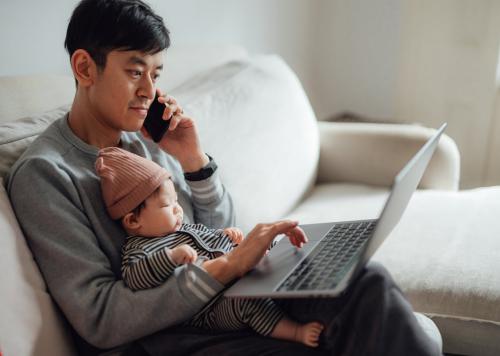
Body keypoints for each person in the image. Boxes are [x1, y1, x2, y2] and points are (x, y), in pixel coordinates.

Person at [6, 0, 441, 355]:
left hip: (227, 294)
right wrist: (226, 268)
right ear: (85, 68)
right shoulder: (45, 174)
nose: (149, 92)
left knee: (365, 280)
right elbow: (100, 318)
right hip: (170, 337)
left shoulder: (145, 140)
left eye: (156, 75)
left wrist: (194, 162)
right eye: (135, 72)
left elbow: (211, 232)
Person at [95, 146, 325, 347]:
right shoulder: (138, 249)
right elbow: (136, 278)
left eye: (176, 201)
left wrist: (226, 235)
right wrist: (171, 258)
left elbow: (209, 237)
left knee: (274, 255)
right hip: (210, 310)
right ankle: (295, 332)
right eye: (167, 204)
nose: (178, 209)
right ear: (133, 221)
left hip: (237, 279)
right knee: (248, 305)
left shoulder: (184, 229)